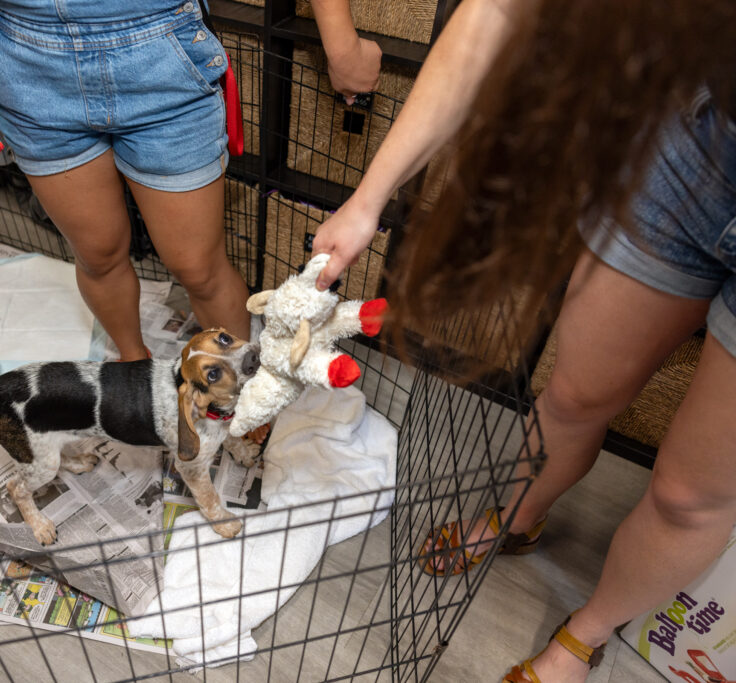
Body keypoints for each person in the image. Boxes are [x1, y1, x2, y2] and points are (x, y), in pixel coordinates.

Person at [311, 1, 736, 681]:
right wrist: (369, 200)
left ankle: (583, 635)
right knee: (573, 393)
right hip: (700, 139)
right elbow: (497, 14)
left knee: (692, 492)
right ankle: (517, 516)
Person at [0, 0, 380, 362]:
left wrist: (341, 43)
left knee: (198, 267)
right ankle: (133, 363)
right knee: (98, 254)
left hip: (160, 56)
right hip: (26, 68)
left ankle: (234, 385)